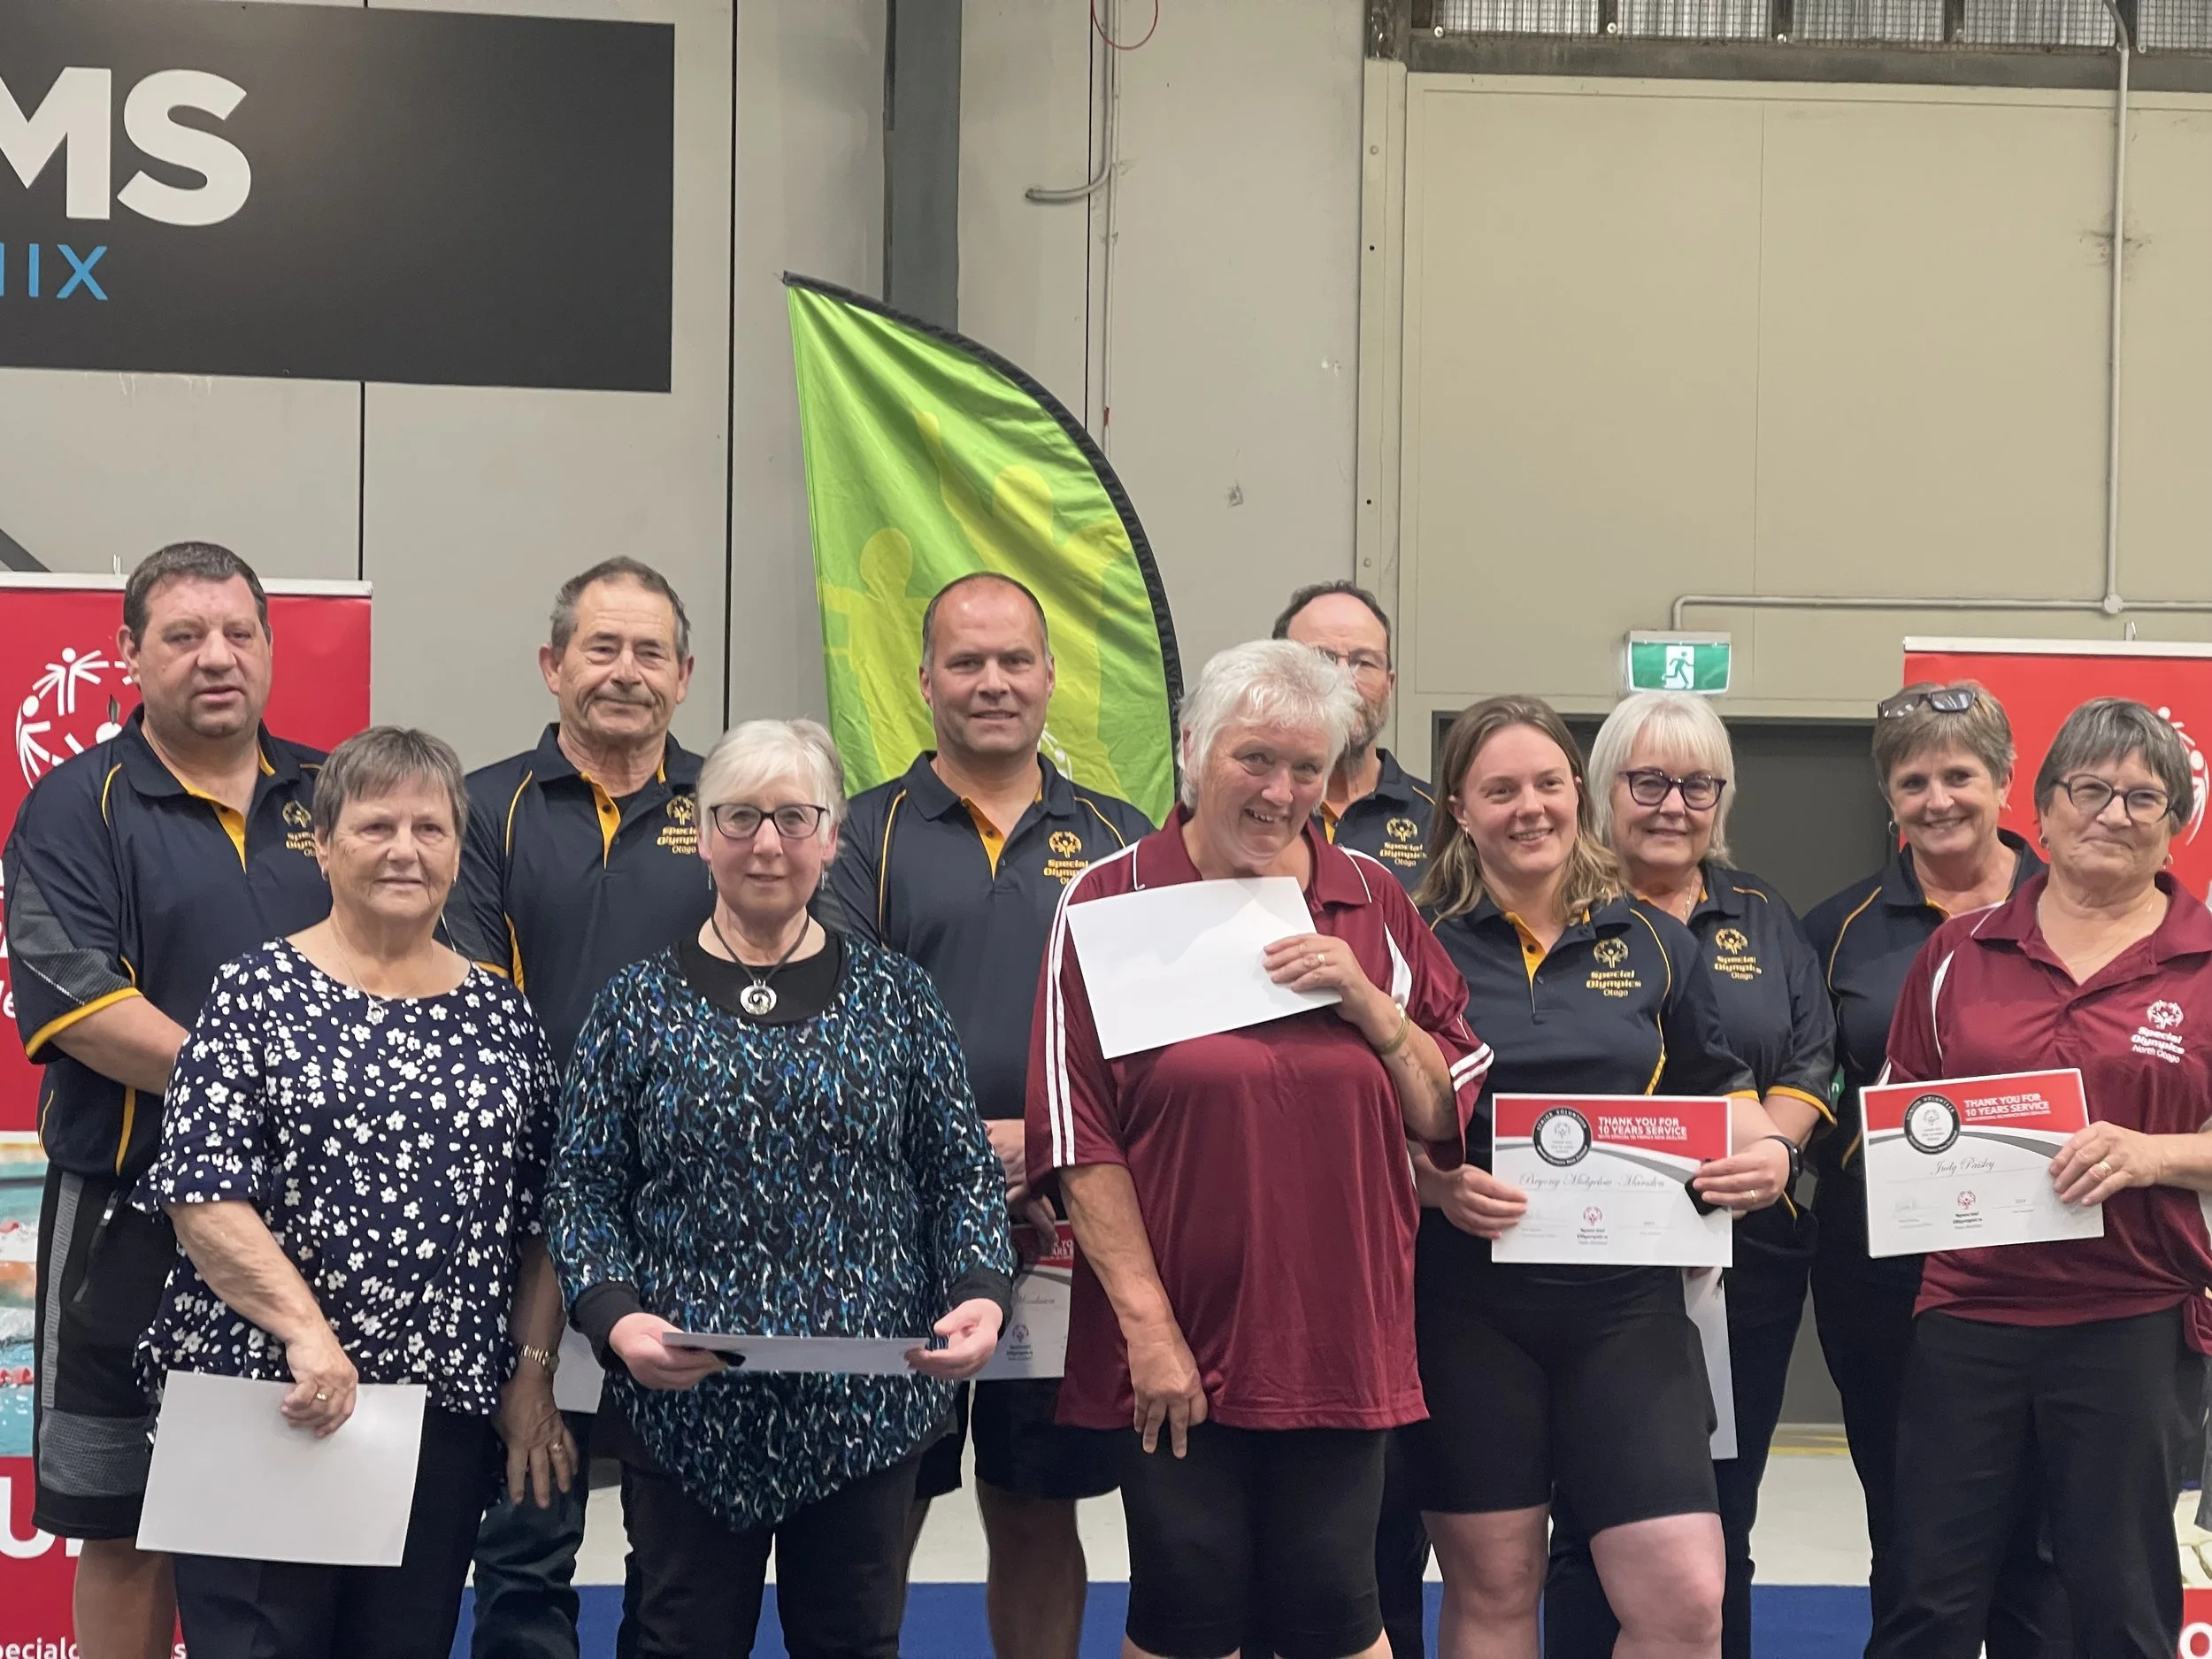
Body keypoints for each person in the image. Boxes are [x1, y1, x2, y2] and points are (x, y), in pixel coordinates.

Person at [1027, 639, 1487, 1659]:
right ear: (1192, 750)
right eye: (1254, 760)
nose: (1281, 792)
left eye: (1307, 768)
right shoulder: (1107, 901)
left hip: (1339, 1329)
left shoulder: (1373, 899)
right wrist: (1148, 1329)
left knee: (1337, 1605)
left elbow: (1439, 1111)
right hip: (1178, 1333)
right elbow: (1082, 1137)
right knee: (1186, 1604)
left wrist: (1369, 1004)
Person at [546, 718, 1014, 1659]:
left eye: (795, 818)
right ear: (703, 833)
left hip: (868, 1411)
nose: (768, 844)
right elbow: (583, 1188)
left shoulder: (898, 998)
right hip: (684, 1410)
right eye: (741, 817)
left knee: (852, 1642)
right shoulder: (635, 1003)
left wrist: (979, 1295)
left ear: (833, 836)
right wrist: (616, 1317)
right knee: (676, 1640)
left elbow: (959, 1172)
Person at [137, 727, 573, 1656]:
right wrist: (309, 1338)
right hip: (269, 1404)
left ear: (460, 850)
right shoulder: (252, 993)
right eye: (376, 826)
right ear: (324, 844)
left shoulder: (503, 1014)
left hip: (437, 1424)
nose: (406, 850)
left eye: (431, 827)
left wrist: (530, 1377)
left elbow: (545, 1217)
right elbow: (203, 1195)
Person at [1406, 695, 1793, 1659]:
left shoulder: (1656, 941)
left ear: (1576, 793)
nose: (1528, 807)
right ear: (1459, 806)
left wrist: (1769, 1153)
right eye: (1499, 790)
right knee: (1495, 1592)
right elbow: (1364, 1121)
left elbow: (1716, 1093)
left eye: (1546, 783)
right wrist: (1436, 1185)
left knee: (1684, 1599)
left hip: (1629, 1310)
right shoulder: (1416, 942)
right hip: (1468, 1306)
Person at [3, 542, 334, 1659]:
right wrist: (276, 1089)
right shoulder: (71, 807)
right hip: (128, 1219)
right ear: (130, 655)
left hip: (323, 1218)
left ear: (271, 649)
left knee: (306, 1512)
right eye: (185, 636)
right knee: (128, 1524)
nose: (217, 658)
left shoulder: (338, 795)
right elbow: (83, 1008)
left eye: (239, 633)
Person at [829, 571, 1150, 1659]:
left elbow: (1154, 1037)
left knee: (1032, 1504)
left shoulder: (1123, 837)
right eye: (965, 662)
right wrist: (961, 1150)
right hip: (895, 1230)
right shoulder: (856, 836)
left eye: (1015, 660)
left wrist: (1052, 1138)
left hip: (1067, 1230)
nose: (993, 682)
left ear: (1051, 676)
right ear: (924, 681)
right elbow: (836, 1030)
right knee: (881, 1507)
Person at [1865, 697, 2212, 1659]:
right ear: (2045, 812)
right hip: (1969, 1316)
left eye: (2143, 798)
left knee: (2117, 1602)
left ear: (2175, 825)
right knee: (1926, 1598)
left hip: (2132, 1320)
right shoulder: (1955, 953)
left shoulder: (2205, 962)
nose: (2112, 813)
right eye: (2089, 790)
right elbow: (1904, 1116)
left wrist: (2156, 1154)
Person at [447, 557, 712, 1659]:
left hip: (689, 1222)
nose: (625, 673)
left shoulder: (734, 801)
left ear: (686, 676)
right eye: (600, 648)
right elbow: (466, 1007)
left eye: (649, 652)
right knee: (526, 1524)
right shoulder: (479, 808)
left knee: (677, 1550)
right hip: (518, 1223)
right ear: (553, 665)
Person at [1541, 692, 1837, 1659]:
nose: (1673, 804)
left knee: (1724, 1520)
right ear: (1603, 789)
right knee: (1590, 1523)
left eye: (1696, 784)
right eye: (1648, 781)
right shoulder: (1558, 904)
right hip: (1592, 1271)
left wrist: (1773, 1154)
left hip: (1746, 1262)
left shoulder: (1760, 915)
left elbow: (1809, 1060)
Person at [1801, 681, 2064, 1652]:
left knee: (2037, 1538)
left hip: (2049, 1260)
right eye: (1913, 781)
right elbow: (1808, 1075)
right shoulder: (1836, 927)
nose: (1937, 798)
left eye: (1959, 774)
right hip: (1885, 1266)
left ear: (2003, 782)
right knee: (1911, 1526)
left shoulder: (2072, 909)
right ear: (1887, 800)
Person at [1271, 580, 1434, 1659]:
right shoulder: (1193, 835)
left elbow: (1458, 1020)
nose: (1342, 678)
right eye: (1315, 659)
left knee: (1383, 1538)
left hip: (1403, 1230)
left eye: (1361, 659)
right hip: (1255, 1226)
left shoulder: (1434, 829)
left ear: (1388, 679)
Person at [1272, 581, 1434, 890]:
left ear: (1390, 685)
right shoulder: (1248, 811)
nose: (1345, 680)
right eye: (1322, 660)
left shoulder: (1442, 823)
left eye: (1364, 662)